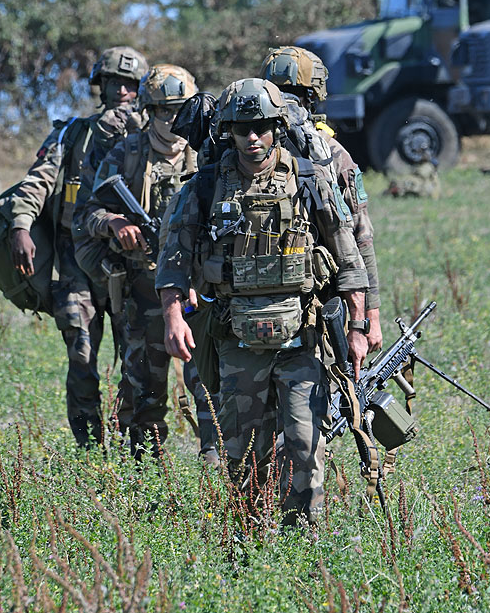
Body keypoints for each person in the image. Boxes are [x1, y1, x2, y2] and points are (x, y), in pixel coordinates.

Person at [157, 78, 369, 525]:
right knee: (242, 460)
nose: (252, 138)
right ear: (228, 132)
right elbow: (173, 255)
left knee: (307, 451)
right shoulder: (206, 185)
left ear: (276, 126)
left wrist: (358, 326)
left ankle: (301, 556)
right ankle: (249, 551)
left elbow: (348, 255)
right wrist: (174, 316)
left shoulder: (309, 180)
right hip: (237, 342)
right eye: (241, 129)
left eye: (261, 128)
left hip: (302, 341)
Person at [8, 46, 147, 447]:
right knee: (81, 357)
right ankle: (88, 450)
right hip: (76, 264)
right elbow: (38, 180)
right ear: (99, 85)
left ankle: (139, 450)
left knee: (138, 363)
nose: (122, 90)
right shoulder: (71, 134)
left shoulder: (147, 136)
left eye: (130, 83)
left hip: (131, 260)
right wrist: (21, 224)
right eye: (113, 82)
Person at [83, 64, 201, 459]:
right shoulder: (127, 152)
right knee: (144, 386)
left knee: (214, 385)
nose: (173, 120)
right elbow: (87, 213)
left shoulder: (208, 155)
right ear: (149, 111)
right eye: (164, 111)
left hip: (201, 287)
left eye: (181, 110)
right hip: (143, 285)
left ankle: (224, 469)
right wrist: (115, 222)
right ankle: (145, 468)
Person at [260, 46, 383, 352]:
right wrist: (370, 316)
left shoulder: (243, 150)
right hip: (319, 301)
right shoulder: (330, 153)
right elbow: (361, 237)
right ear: (314, 95)